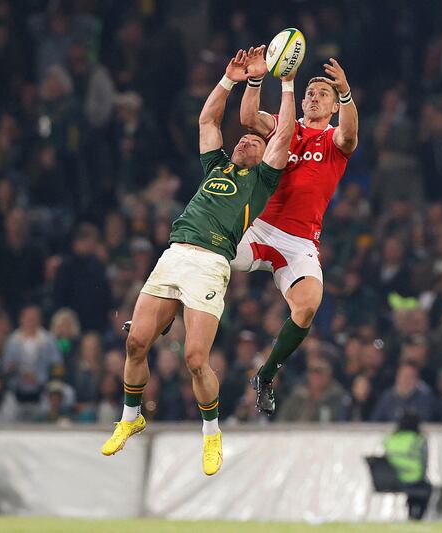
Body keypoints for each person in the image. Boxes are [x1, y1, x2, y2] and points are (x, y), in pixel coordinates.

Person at [101, 49, 296, 477]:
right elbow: (208, 122)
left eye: (254, 141)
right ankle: (131, 418)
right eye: (244, 138)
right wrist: (229, 81)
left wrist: (280, 81)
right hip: (173, 255)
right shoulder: (215, 167)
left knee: (194, 358)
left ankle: (211, 433)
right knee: (136, 343)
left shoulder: (262, 180)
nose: (246, 139)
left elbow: (283, 137)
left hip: (210, 264)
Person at [236, 46, 359, 415]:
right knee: (201, 250)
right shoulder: (285, 126)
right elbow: (247, 116)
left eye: (323, 94)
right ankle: (159, 310)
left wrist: (347, 92)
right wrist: (255, 78)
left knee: (307, 307)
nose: (314, 97)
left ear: (335, 105)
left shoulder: (334, 139)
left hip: (299, 242)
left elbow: (351, 135)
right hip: (258, 228)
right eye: (309, 93)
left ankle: (266, 375)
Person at [382, 410, 432, 520]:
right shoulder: (418, 440)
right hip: (412, 478)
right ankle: (416, 517)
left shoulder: (390, 439)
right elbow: (424, 463)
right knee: (425, 488)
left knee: (415, 488)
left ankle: (411, 515)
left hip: (389, 480)